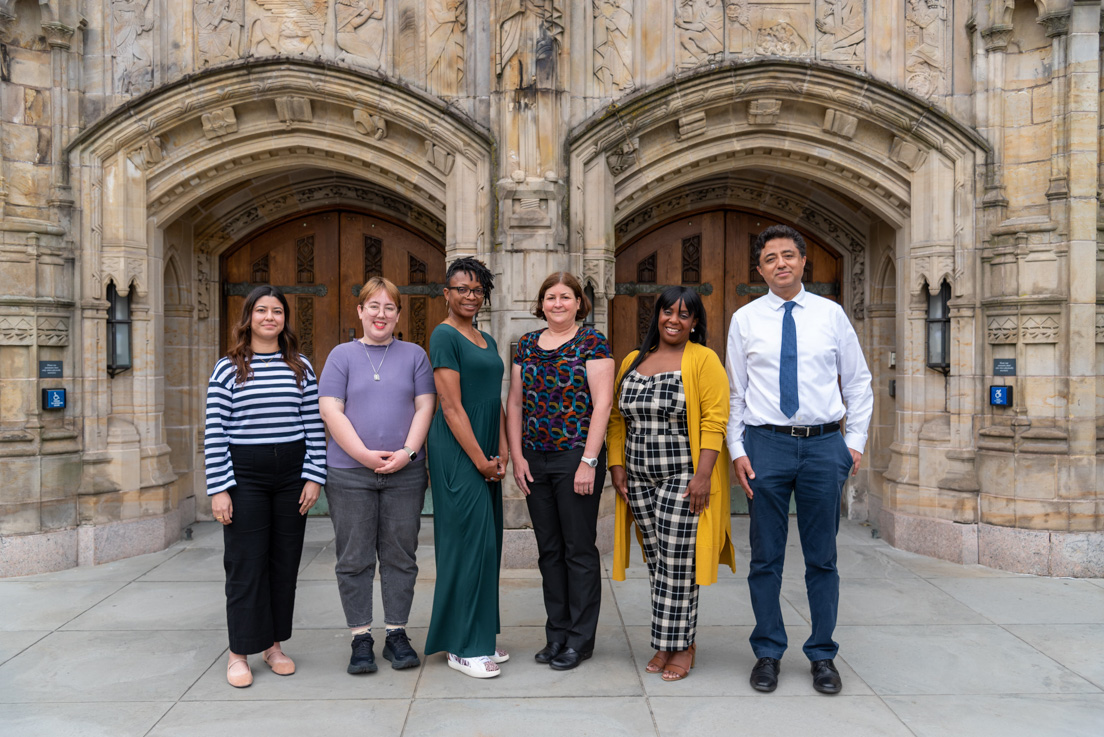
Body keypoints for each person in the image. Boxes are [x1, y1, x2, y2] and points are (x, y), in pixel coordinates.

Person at [725, 224, 873, 695]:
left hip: (824, 445)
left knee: (821, 558)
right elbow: (735, 393)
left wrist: (854, 443)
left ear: (803, 261)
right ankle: (768, 651)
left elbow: (858, 383)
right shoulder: (745, 320)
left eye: (788, 255)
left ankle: (822, 654)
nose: (780, 264)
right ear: (761, 268)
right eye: (771, 258)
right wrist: (738, 449)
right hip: (766, 444)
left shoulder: (831, 315)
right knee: (765, 557)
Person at [607, 286, 735, 682]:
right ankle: (666, 642)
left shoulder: (703, 360)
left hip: (683, 476)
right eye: (668, 311)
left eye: (684, 314)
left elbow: (715, 420)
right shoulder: (633, 359)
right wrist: (616, 465)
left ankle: (683, 646)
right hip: (638, 477)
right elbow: (616, 419)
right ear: (657, 315)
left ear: (695, 322)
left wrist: (702, 477)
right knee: (660, 562)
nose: (674, 320)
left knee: (679, 562)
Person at [204, 285, 326, 688]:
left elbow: (313, 426)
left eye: (277, 311)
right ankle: (239, 652)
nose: (270, 317)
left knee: (283, 564)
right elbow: (216, 432)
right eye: (262, 310)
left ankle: (273, 646)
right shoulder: (228, 368)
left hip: (291, 476)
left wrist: (314, 476)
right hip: (246, 477)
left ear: (284, 319)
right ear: (249, 317)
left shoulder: (301, 367)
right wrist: (219, 488)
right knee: (245, 564)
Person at [318, 277, 436, 675]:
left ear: (398, 314)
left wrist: (407, 453)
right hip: (350, 473)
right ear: (360, 311)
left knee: (401, 556)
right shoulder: (341, 356)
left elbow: (425, 407)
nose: (381, 314)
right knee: (353, 558)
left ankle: (397, 634)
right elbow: (331, 411)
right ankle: (361, 638)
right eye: (373, 306)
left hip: (405, 474)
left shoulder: (415, 355)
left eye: (389, 307)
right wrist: (365, 456)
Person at [506, 272, 614, 670]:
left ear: (579, 303)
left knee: (578, 549)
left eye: (565, 297)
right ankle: (557, 634)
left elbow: (602, 405)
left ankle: (580, 640)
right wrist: (517, 457)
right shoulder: (527, 345)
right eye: (550, 297)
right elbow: (516, 403)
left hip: (575, 457)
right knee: (549, 551)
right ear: (541, 303)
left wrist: (589, 461)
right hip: (535, 457)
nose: (557, 303)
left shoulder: (592, 342)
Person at [424, 256, 511, 679]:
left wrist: (503, 451)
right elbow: (451, 405)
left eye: (477, 290)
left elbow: (492, 401)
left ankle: (479, 634)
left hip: (484, 452)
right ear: (446, 292)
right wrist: (480, 461)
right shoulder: (443, 336)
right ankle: (462, 647)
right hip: (458, 453)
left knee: (486, 545)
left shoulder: (485, 339)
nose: (470, 296)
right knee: (467, 546)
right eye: (462, 288)